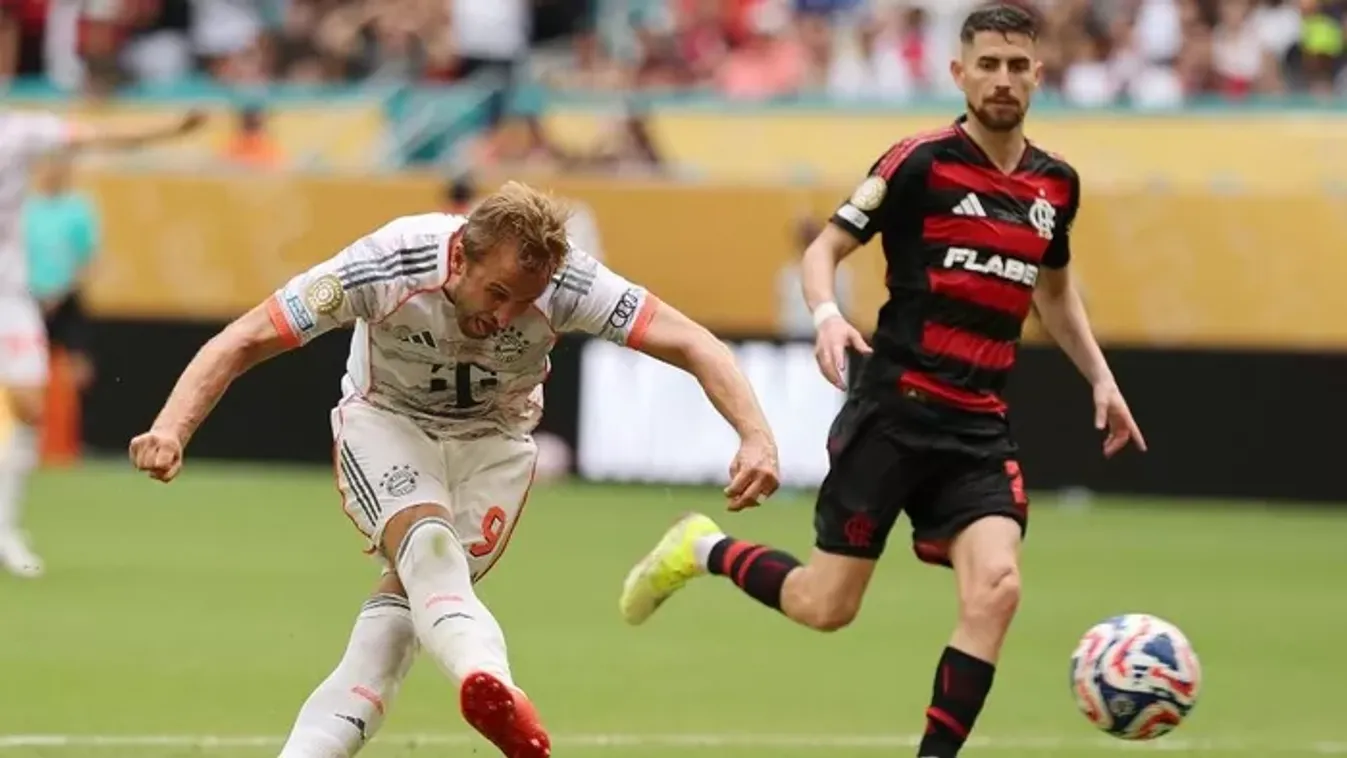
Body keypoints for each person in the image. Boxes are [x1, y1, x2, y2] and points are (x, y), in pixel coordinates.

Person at [617, 6, 1147, 758]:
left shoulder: (1055, 185)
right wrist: (826, 315)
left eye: (1015, 66)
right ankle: (703, 547)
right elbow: (823, 250)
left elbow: (1053, 295)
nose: (1001, 79)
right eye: (987, 64)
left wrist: (1100, 377)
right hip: (894, 413)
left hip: (978, 431)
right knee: (825, 606)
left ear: (1038, 74)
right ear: (959, 73)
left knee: (997, 589)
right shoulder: (917, 163)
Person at [128, 181, 781, 758]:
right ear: (461, 255)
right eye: (497, 293)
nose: (505, 316)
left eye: (523, 302)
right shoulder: (387, 262)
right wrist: (171, 428)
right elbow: (244, 337)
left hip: (495, 442)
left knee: (401, 620)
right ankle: (492, 684)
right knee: (429, 548)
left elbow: (692, 341)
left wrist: (755, 435)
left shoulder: (571, 284)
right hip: (389, 422)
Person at [0, 108, 204, 578]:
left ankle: (6, 529)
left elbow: (98, 134)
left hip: (11, 297)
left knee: (30, 405)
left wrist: (168, 127)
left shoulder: (19, 130)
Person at [25, 153, 101, 397]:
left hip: (66, 298)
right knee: (26, 366)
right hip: (30, 298)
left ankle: (74, 413)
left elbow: (89, 258)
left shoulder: (78, 209)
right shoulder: (26, 208)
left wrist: (62, 291)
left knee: (79, 369)